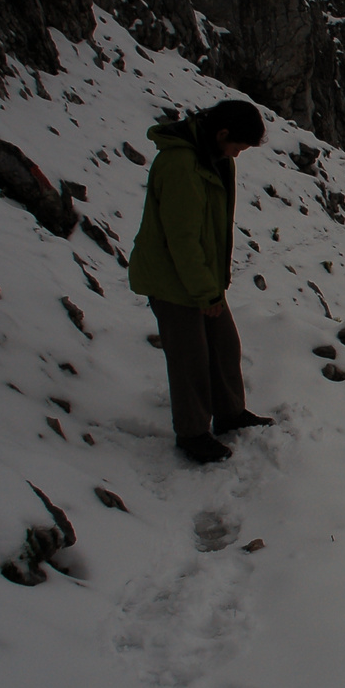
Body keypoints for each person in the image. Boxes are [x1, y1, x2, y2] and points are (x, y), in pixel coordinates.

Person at [128, 100, 275, 463]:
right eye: (238, 147)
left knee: (224, 345)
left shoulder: (212, 158)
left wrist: (210, 286)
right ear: (221, 134)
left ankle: (229, 414)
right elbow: (182, 240)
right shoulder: (180, 165)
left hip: (199, 276)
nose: (238, 155)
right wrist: (206, 292)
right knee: (189, 358)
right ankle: (193, 434)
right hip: (172, 278)